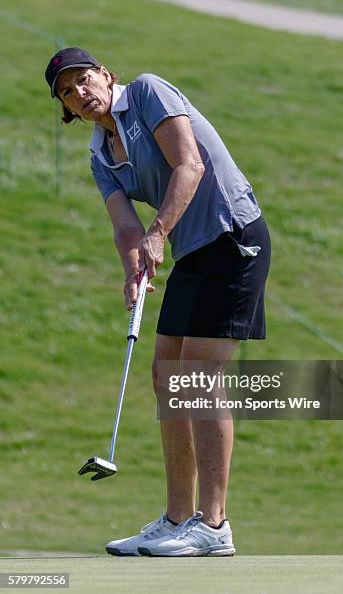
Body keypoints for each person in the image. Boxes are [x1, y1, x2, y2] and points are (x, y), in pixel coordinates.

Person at [45, 47, 271, 557]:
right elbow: (125, 226)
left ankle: (214, 526)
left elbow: (188, 166)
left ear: (105, 75)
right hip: (192, 251)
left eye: (83, 80)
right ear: (66, 108)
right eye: (67, 92)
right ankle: (176, 519)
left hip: (233, 237)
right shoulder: (101, 155)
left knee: (197, 373)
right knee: (165, 371)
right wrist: (133, 269)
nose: (79, 94)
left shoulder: (147, 92)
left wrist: (157, 233)